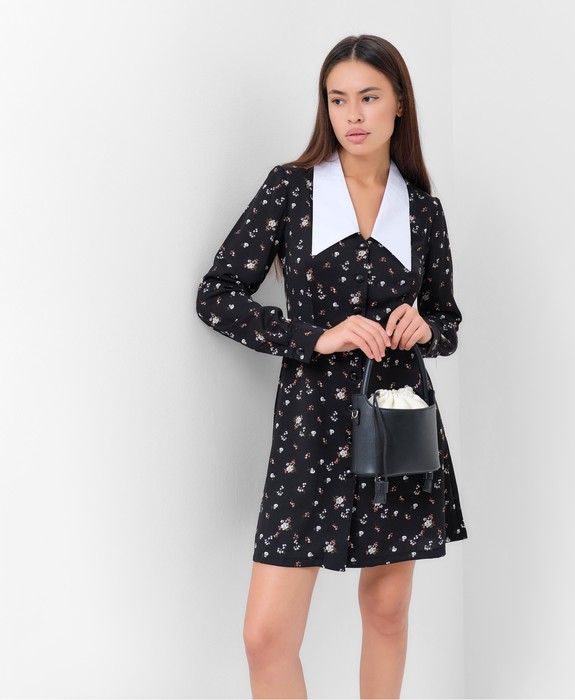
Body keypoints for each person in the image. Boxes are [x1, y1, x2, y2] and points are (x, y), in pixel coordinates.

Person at [195, 34, 467, 699]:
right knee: (266, 637)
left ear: (399, 104)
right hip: (310, 427)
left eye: (369, 97)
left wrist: (426, 328)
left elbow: (447, 323)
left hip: (398, 421)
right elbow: (217, 296)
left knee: (387, 610)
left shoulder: (423, 211)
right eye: (338, 99)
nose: (353, 115)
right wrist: (314, 337)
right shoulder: (291, 190)